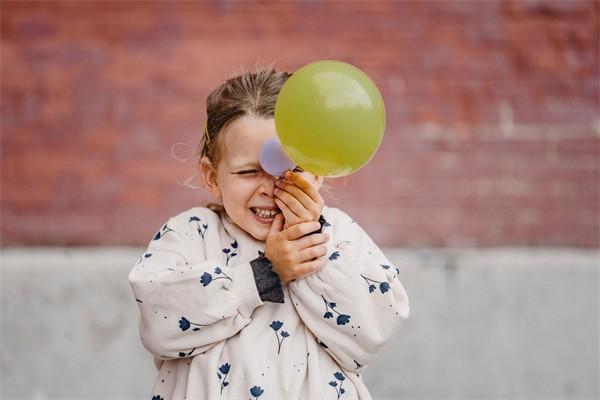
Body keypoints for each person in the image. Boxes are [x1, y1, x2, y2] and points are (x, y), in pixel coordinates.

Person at [128, 68, 410, 400]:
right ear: (211, 175)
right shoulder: (191, 234)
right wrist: (266, 274)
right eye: (248, 172)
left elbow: (372, 331)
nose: (269, 189)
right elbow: (160, 323)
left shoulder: (337, 235)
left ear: (317, 171)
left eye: (291, 171)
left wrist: (310, 243)